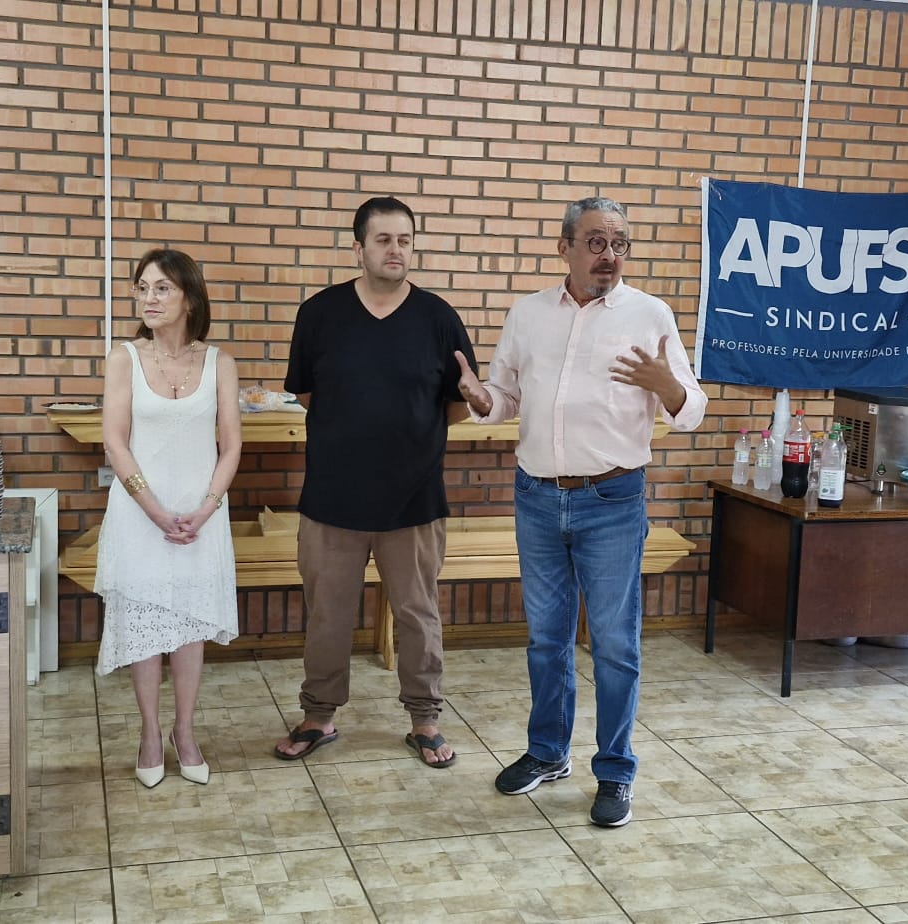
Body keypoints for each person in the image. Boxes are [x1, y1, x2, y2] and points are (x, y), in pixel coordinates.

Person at [455, 196, 707, 826]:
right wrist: (480, 399)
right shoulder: (528, 314)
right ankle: (548, 752)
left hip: (612, 501)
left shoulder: (649, 314)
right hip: (537, 498)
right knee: (546, 639)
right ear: (564, 246)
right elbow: (506, 396)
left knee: (615, 644)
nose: (609, 255)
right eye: (596, 242)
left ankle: (615, 771)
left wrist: (667, 387)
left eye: (619, 244)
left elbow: (692, 407)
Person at [274, 196, 476, 768]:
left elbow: (456, 403)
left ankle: (425, 720)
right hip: (332, 498)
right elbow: (308, 394)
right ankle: (319, 715)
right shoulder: (320, 314)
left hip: (415, 499)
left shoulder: (438, 318)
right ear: (358, 247)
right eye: (383, 239)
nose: (395, 250)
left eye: (405, 240)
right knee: (327, 615)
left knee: (418, 614)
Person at [96, 247, 242, 788]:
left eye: (162, 288)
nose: (149, 298)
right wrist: (156, 511)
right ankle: (150, 734)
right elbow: (115, 442)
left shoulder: (219, 362)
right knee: (143, 626)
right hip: (141, 515)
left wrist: (206, 508)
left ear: (190, 298)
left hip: (201, 517)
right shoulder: (124, 359)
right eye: (142, 288)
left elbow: (231, 445)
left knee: (189, 625)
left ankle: (184, 731)